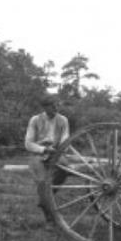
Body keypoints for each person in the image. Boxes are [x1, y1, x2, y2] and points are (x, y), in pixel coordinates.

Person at [24, 95, 69, 223]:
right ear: (45, 107)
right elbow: (28, 144)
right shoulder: (35, 120)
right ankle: (49, 217)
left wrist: (60, 150)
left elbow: (66, 139)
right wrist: (43, 149)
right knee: (42, 181)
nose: (56, 107)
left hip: (56, 153)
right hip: (38, 154)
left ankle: (47, 198)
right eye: (52, 105)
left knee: (65, 169)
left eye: (57, 105)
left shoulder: (63, 120)